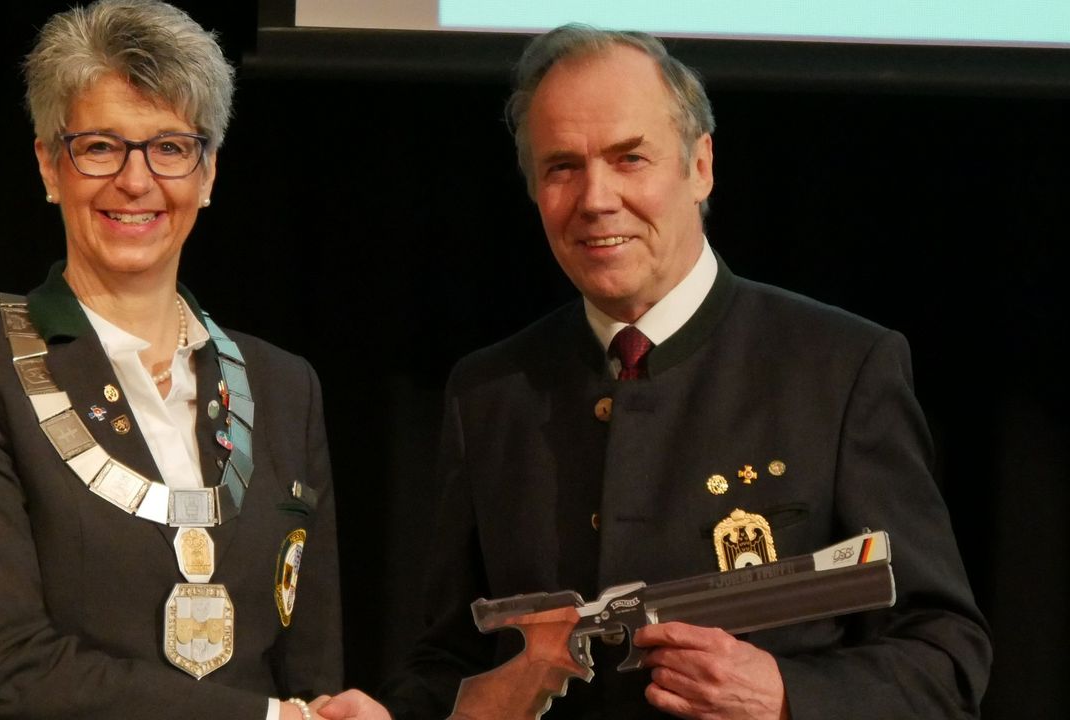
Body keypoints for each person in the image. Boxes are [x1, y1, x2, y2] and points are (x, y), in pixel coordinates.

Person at [326, 24, 992, 720]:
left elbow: (944, 655)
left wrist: (788, 695)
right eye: (562, 167)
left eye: (629, 158)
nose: (595, 198)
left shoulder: (839, 367)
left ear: (700, 165)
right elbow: (458, 659)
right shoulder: (492, 392)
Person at [0, 2, 339, 718]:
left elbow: (310, 668)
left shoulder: (288, 387)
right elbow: (3, 668)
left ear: (208, 172)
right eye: (100, 147)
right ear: (49, 164)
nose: (136, 182)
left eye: (169, 147)